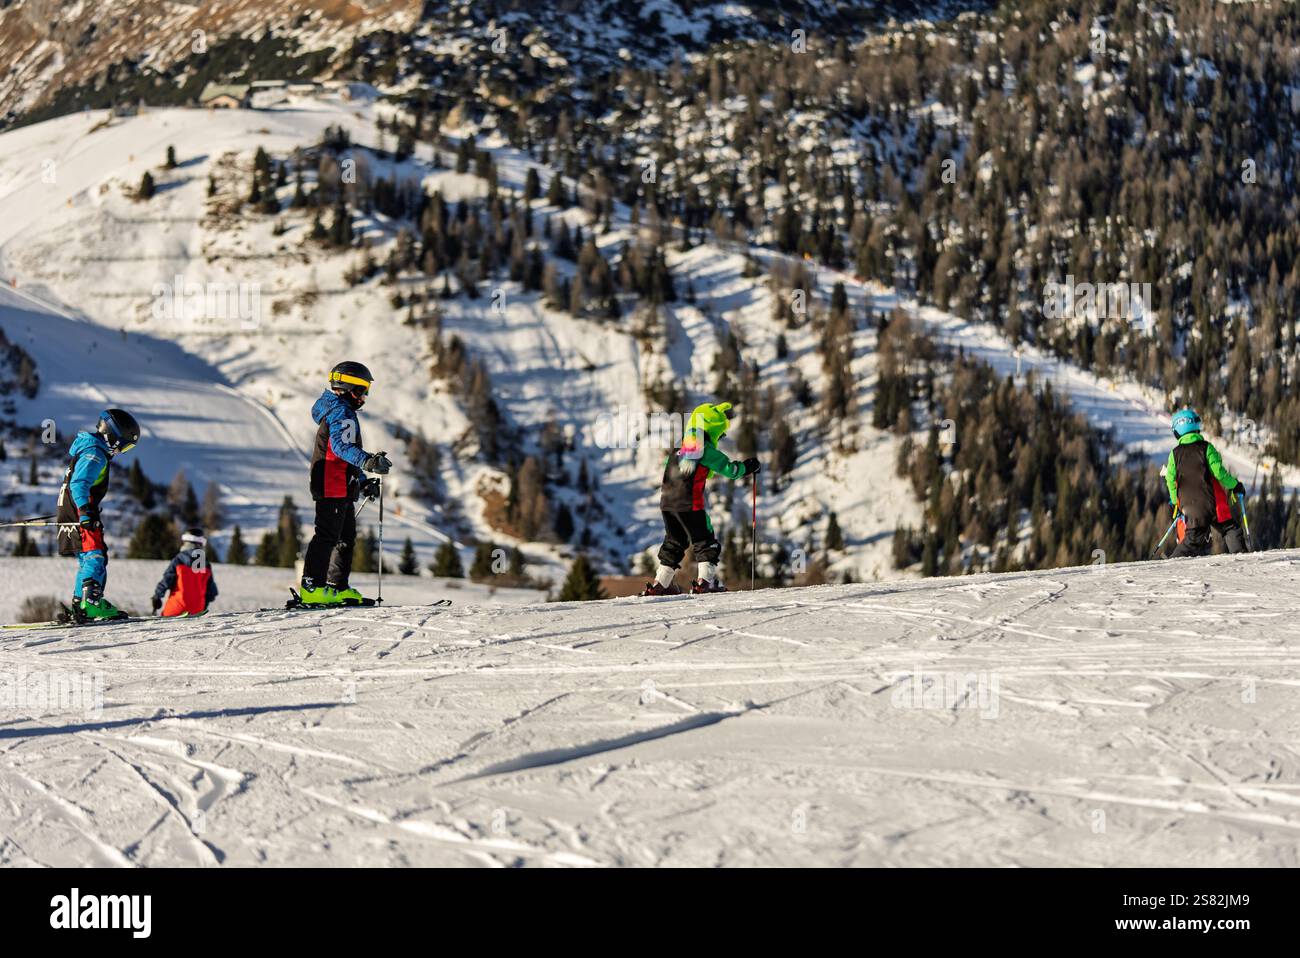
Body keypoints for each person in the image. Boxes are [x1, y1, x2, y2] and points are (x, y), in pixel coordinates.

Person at [642, 401, 759, 595]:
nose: (720, 437)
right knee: (705, 539)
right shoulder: (704, 448)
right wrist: (749, 466)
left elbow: (684, 471)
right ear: (711, 429)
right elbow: (730, 470)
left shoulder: (679, 448)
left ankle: (660, 584)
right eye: (720, 433)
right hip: (689, 503)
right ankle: (706, 582)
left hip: (667, 503)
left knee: (674, 540)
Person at [300, 361, 391, 605]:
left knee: (345, 538)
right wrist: (369, 462)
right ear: (348, 387)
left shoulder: (339, 410)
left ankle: (337, 586)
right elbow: (342, 448)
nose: (364, 397)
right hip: (331, 483)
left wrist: (361, 481)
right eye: (362, 390)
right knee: (327, 535)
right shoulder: (341, 411)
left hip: (341, 481)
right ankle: (312, 587)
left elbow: (343, 454)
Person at [56, 408, 140, 621]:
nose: (122, 451)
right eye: (125, 445)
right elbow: (79, 483)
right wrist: (85, 512)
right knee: (95, 555)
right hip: (81, 512)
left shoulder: (91, 449)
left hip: (75, 511)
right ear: (114, 436)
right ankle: (90, 603)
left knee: (89, 557)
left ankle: (80, 603)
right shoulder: (95, 453)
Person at [1164, 407, 1248, 558]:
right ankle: (1241, 556)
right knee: (1230, 528)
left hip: (1190, 506)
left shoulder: (1174, 455)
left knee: (1192, 539)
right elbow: (1219, 473)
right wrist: (1235, 485)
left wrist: (1175, 502)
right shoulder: (1206, 448)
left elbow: (1170, 480)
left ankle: (1173, 563)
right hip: (1212, 504)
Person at [152, 528, 218, 617]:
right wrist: (203, 604)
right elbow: (212, 592)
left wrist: (157, 597)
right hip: (198, 609)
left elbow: (166, 581)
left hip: (176, 608)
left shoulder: (178, 559)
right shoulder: (205, 563)